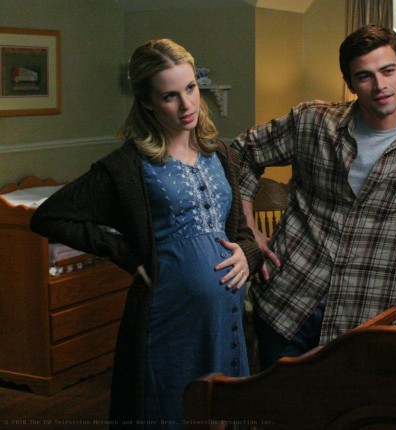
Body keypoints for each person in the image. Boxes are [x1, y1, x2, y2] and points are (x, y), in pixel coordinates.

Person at [30, 39, 263, 429]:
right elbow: (50, 216)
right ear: (147, 102)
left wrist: (246, 254)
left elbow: (242, 233)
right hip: (167, 317)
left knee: (221, 410)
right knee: (169, 411)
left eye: (191, 88)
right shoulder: (128, 166)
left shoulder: (221, 154)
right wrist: (126, 254)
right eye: (170, 96)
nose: (187, 104)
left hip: (223, 318)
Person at [232, 24, 396, 370]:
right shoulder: (312, 122)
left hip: (367, 319)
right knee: (280, 403)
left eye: (388, 71)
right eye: (365, 76)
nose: (380, 86)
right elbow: (240, 154)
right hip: (287, 302)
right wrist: (247, 229)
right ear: (349, 83)